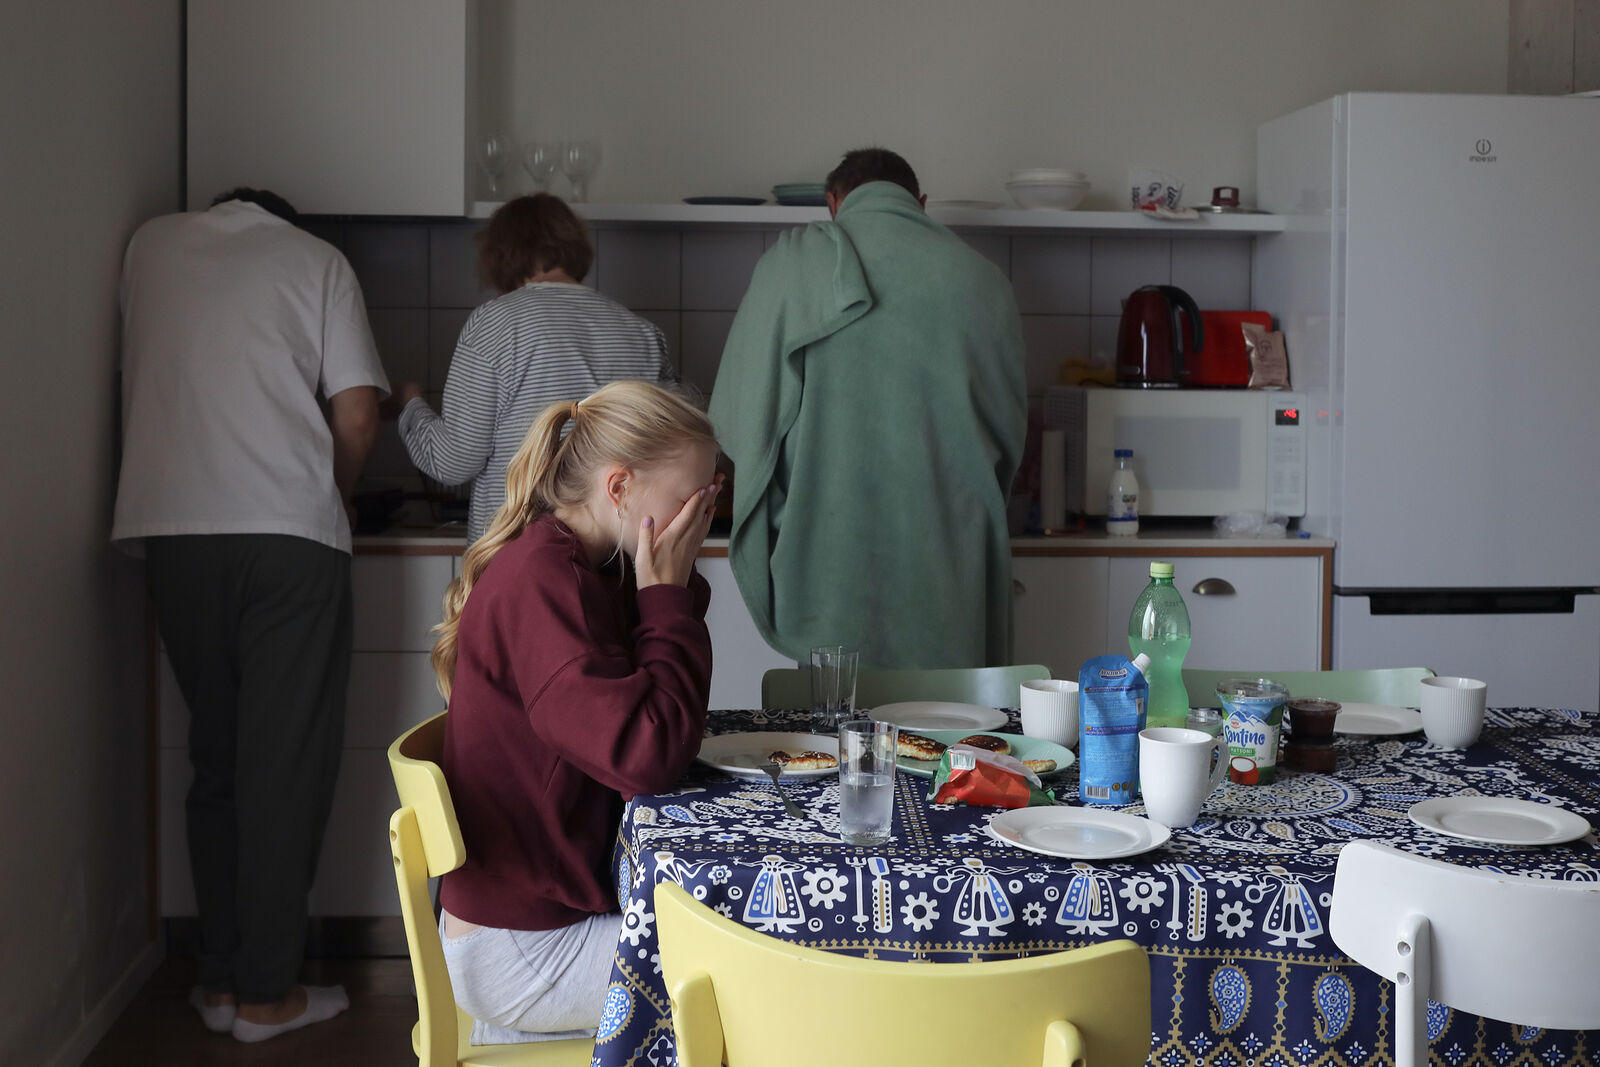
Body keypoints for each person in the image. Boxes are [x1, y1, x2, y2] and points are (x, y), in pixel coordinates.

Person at [112, 188, 388, 1041]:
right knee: (284, 765)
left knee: (220, 759)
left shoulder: (150, 248)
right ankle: (271, 994)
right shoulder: (319, 262)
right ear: (286, 220)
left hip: (172, 530)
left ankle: (223, 981)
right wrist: (327, 503)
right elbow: (356, 411)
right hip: (285, 539)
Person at [432, 380, 720, 1044]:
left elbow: (660, 712)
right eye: (688, 499)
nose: (700, 518)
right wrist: (666, 595)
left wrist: (666, 592)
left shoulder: (583, 567)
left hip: (535, 914)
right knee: (755, 968)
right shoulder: (546, 584)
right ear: (619, 488)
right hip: (520, 944)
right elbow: (648, 758)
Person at [708, 147, 1027, 669]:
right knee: (949, 734)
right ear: (920, 203)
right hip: (950, 572)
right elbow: (1009, 441)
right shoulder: (984, 280)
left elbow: (739, 426)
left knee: (831, 738)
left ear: (833, 202)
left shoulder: (791, 266)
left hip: (824, 577)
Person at [396, 194, 676, 543]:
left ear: (502, 255)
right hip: (616, 564)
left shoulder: (497, 321)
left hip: (519, 564)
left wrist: (410, 406)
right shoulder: (643, 334)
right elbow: (667, 458)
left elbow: (454, 461)